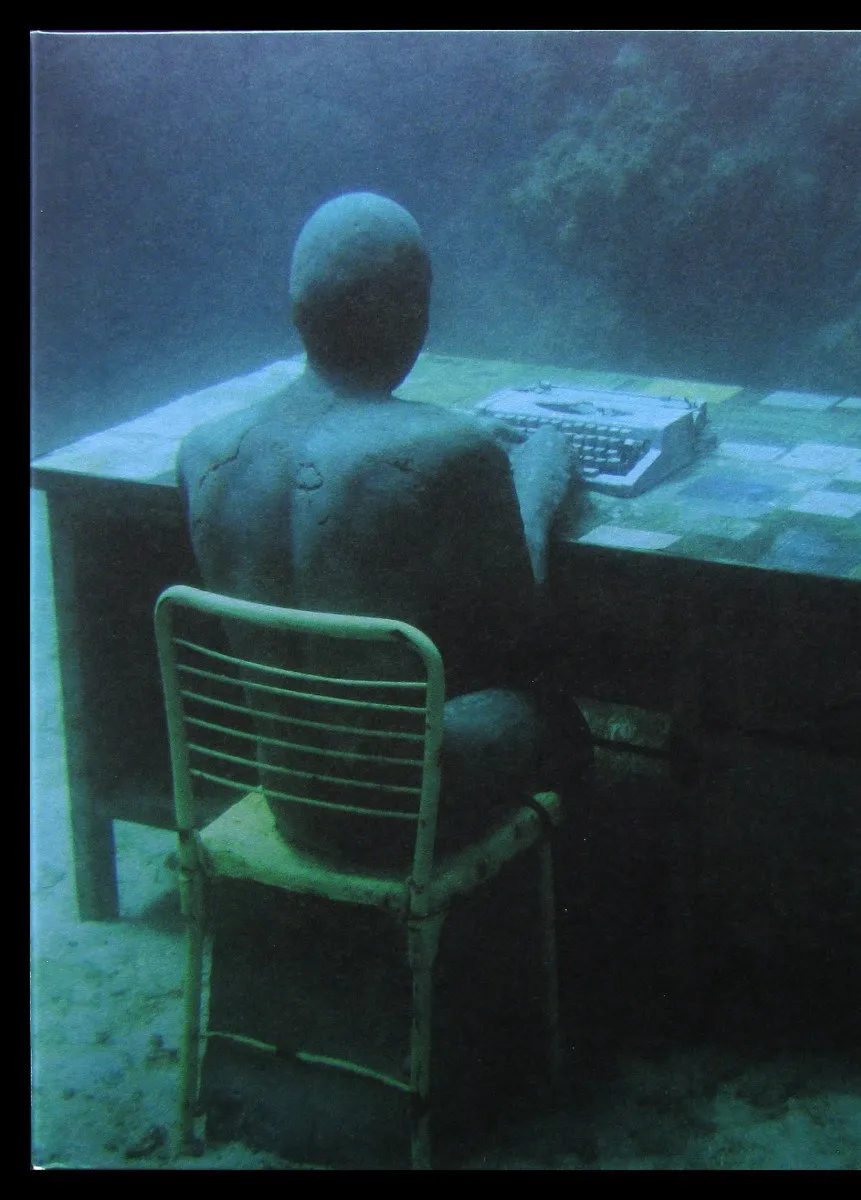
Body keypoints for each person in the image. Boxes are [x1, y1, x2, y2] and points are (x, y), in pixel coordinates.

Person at [178, 191, 591, 865]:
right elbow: (522, 631)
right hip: (407, 812)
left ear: (297, 307)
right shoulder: (454, 450)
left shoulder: (202, 451)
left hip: (291, 799)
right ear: (412, 312)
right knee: (560, 717)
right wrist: (537, 485)